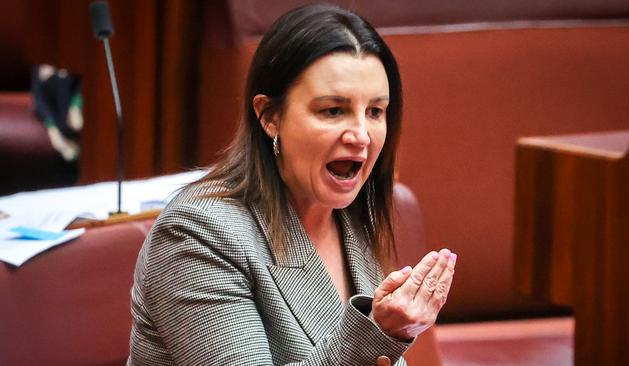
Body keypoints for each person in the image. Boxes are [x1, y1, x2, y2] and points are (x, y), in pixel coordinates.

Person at [128, 4, 457, 365]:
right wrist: (379, 332)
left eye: (375, 111)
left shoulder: (354, 216)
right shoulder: (199, 232)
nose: (362, 135)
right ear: (270, 117)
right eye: (333, 110)